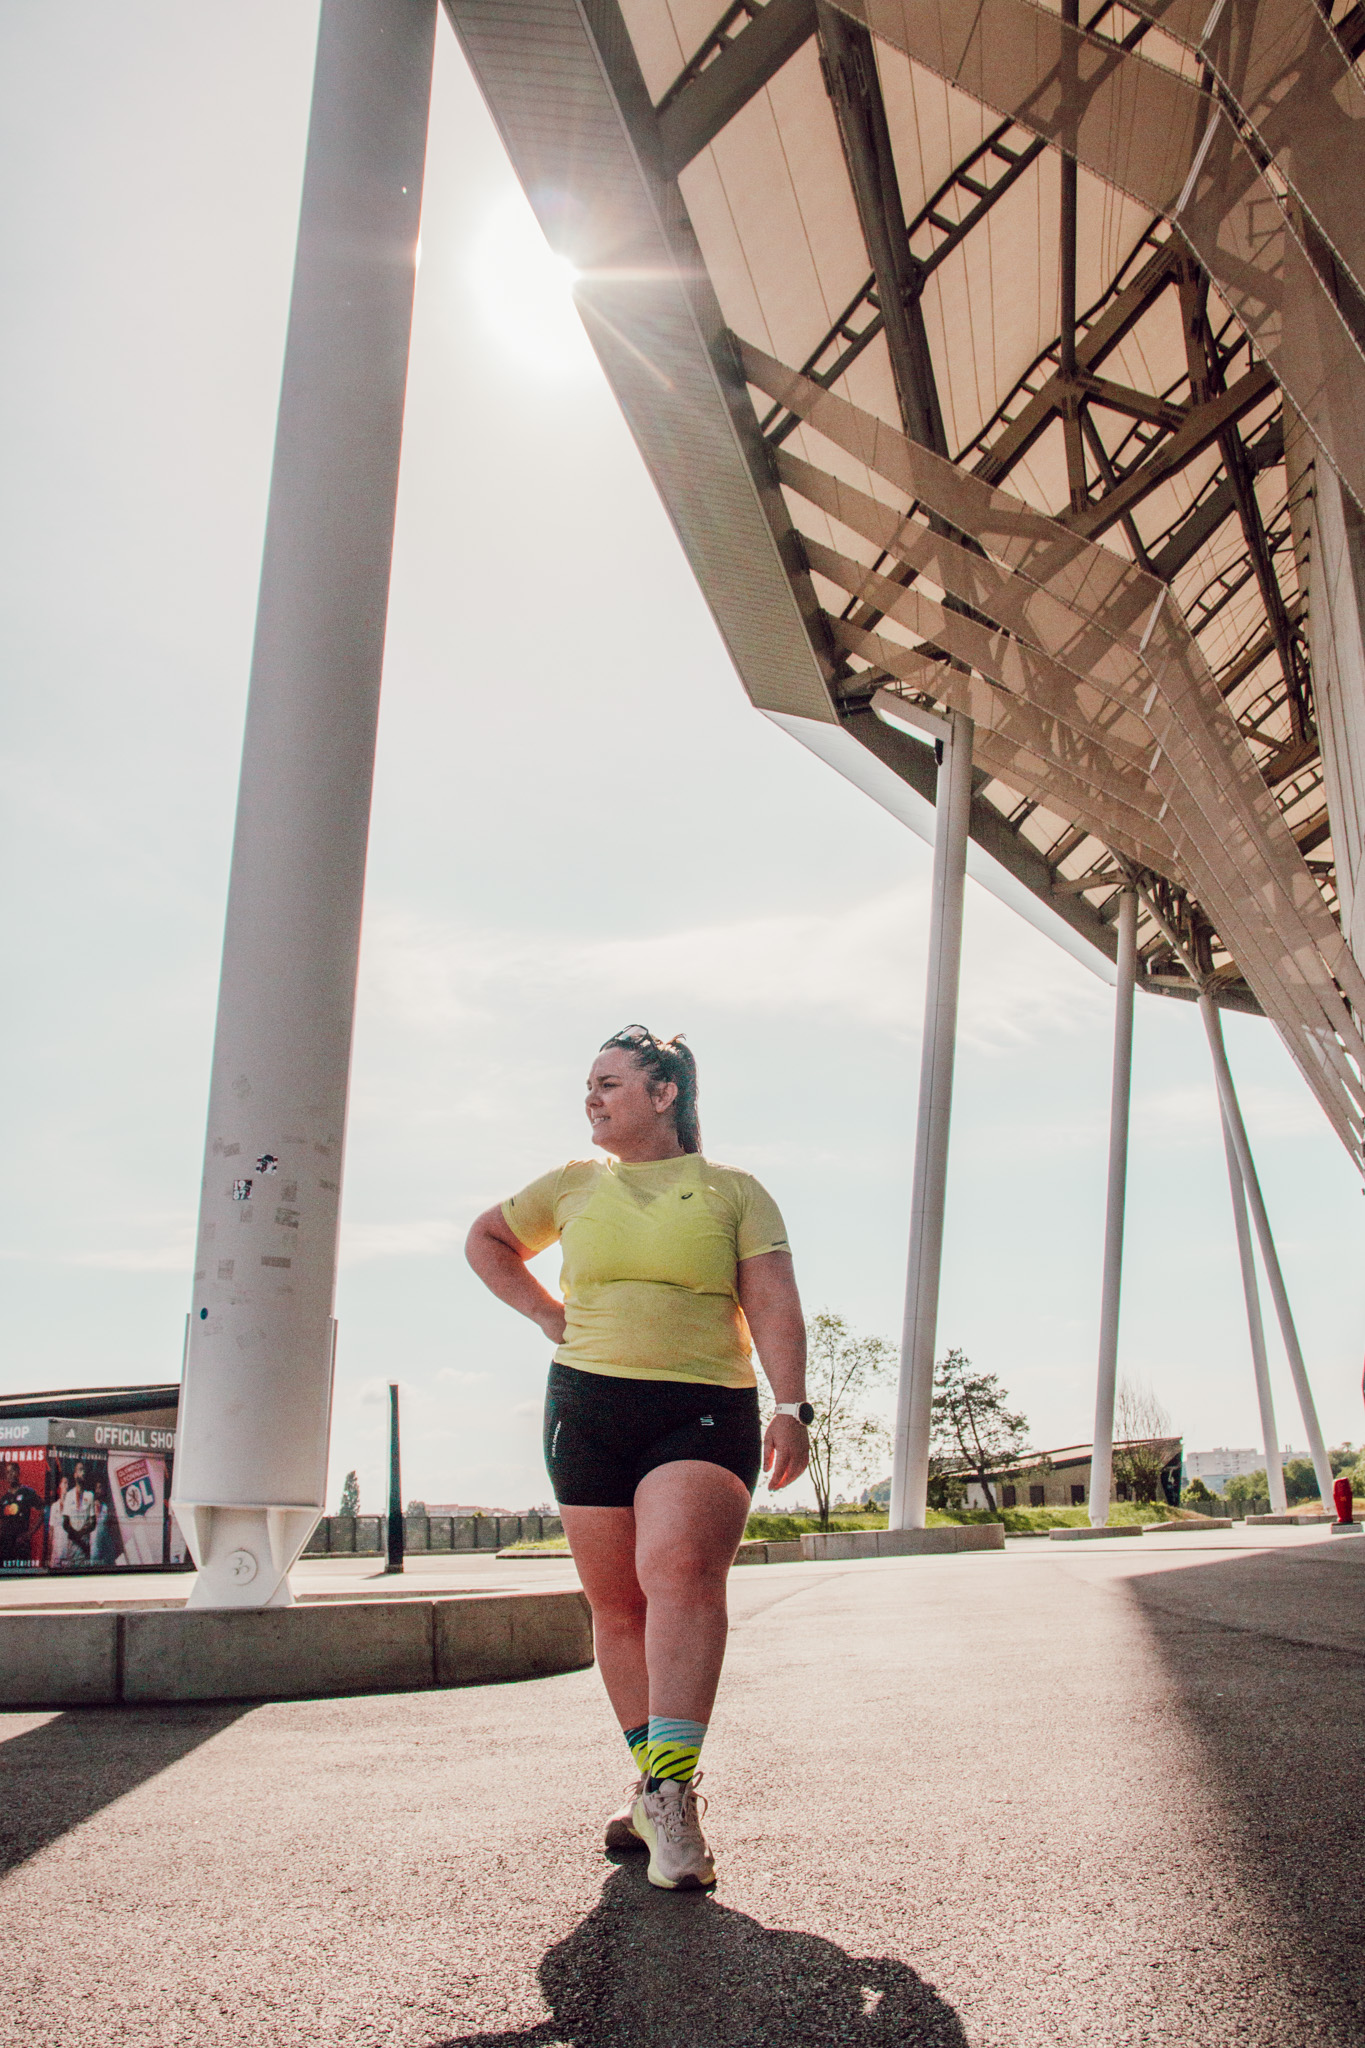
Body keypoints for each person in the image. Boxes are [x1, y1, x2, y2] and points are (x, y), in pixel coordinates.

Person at [466, 1026, 811, 1892]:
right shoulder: (572, 1185)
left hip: (699, 1402)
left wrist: (792, 1406)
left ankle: (669, 1793)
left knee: (678, 1571)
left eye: (610, 1082)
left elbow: (772, 1304)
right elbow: (486, 1240)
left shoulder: (732, 1191)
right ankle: (660, 1782)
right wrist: (546, 1314)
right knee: (615, 1604)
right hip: (585, 1405)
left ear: (664, 1094)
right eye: (587, 1083)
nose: (591, 1096)